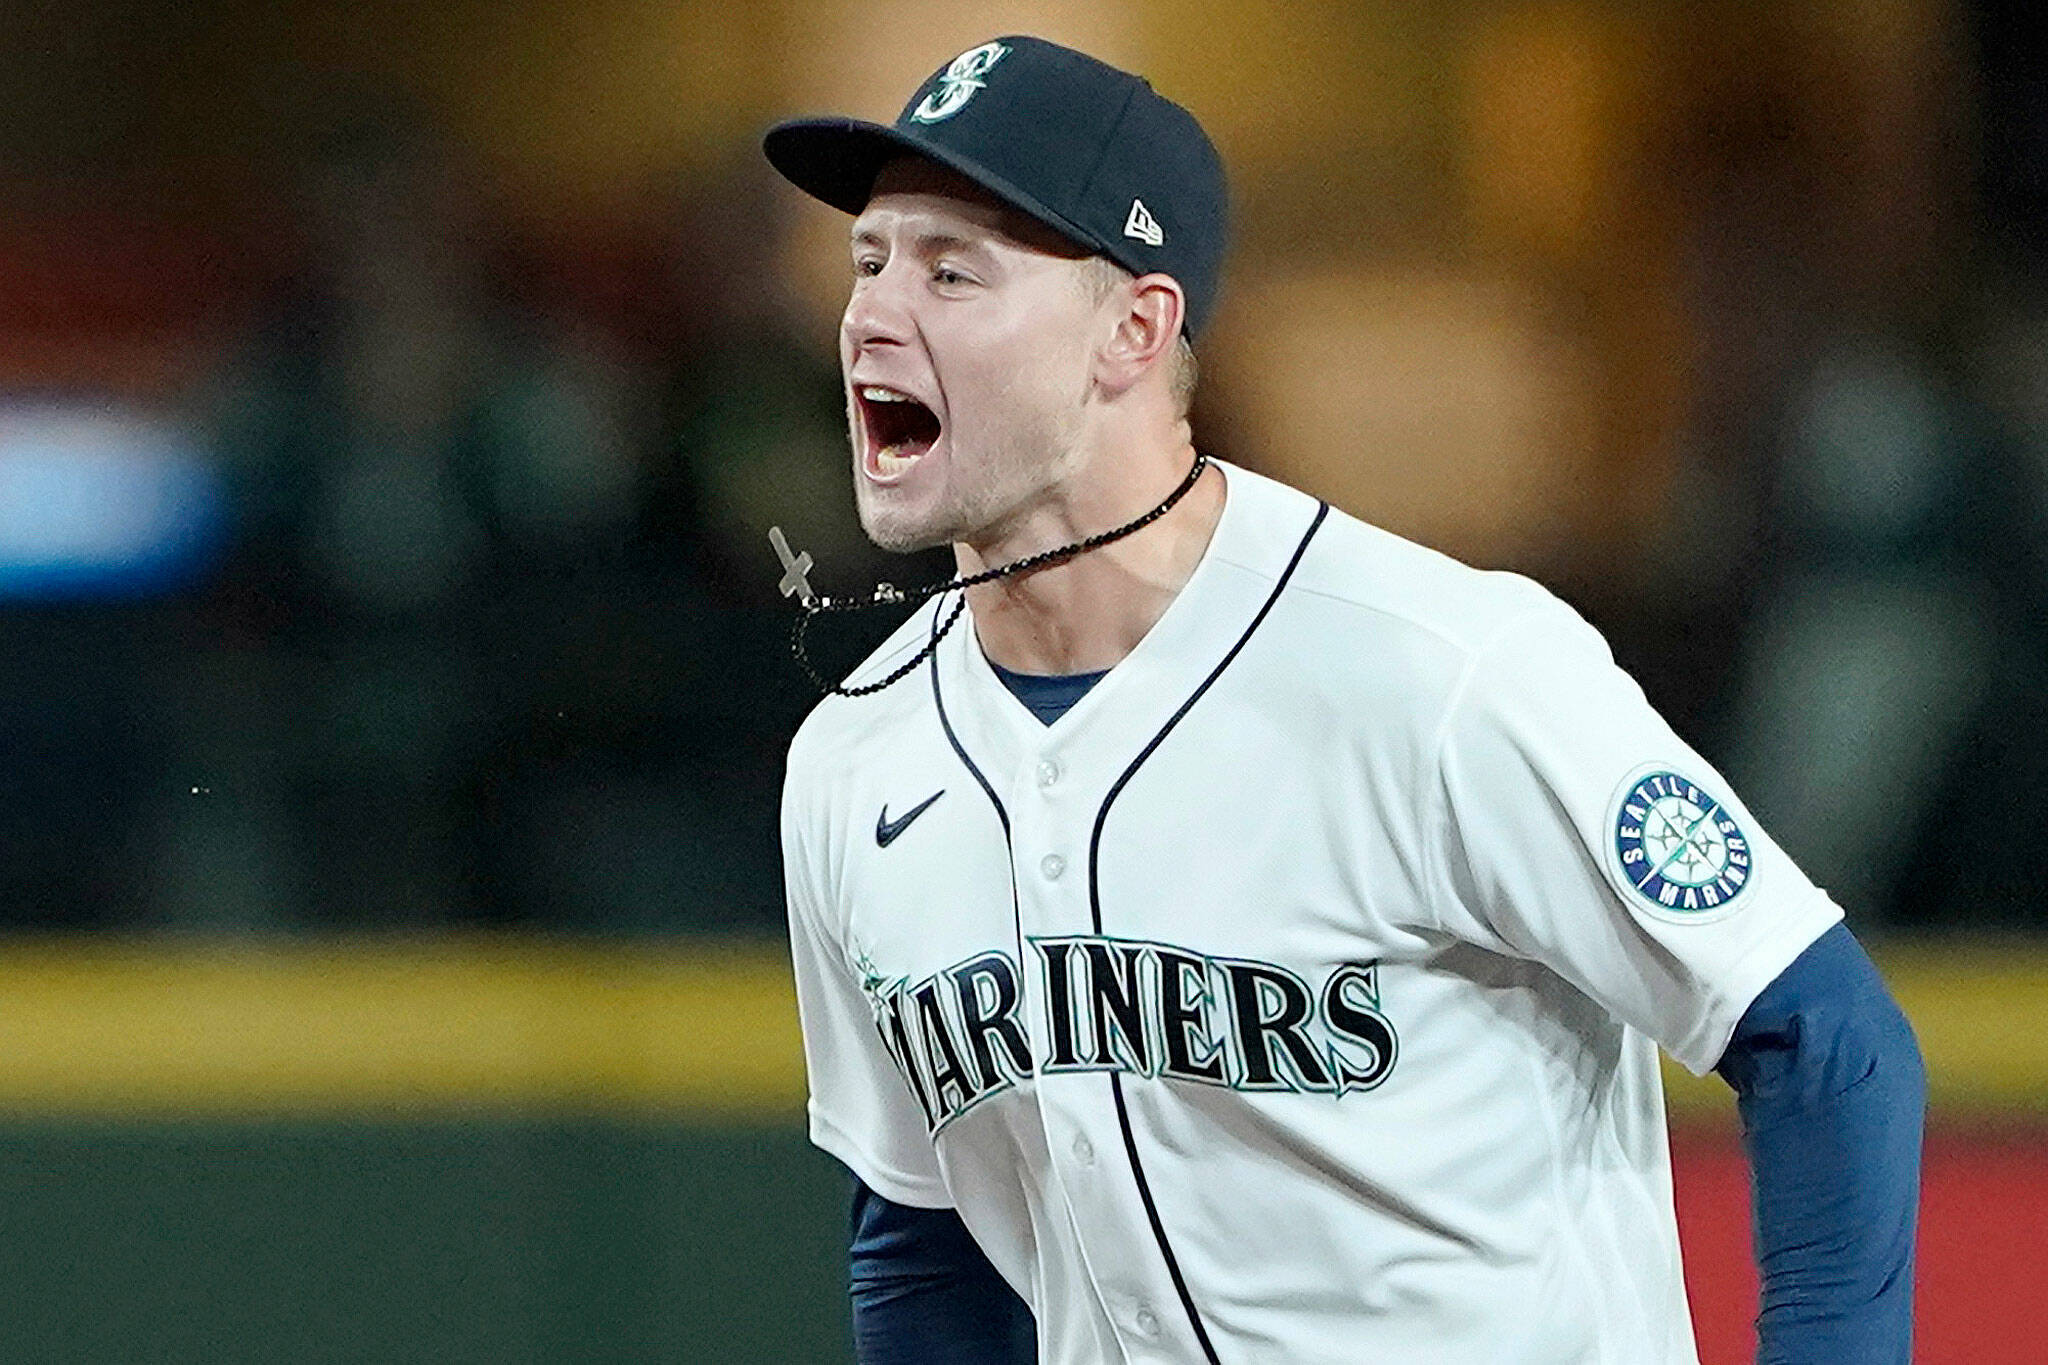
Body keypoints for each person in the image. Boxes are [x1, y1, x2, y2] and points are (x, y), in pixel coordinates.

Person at [766, 36, 1923, 1364]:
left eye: (953, 271)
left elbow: (1831, 1044)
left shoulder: (1440, 670)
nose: (874, 312)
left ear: (1133, 331)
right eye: (870, 261)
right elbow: (926, 1243)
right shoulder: (858, 763)